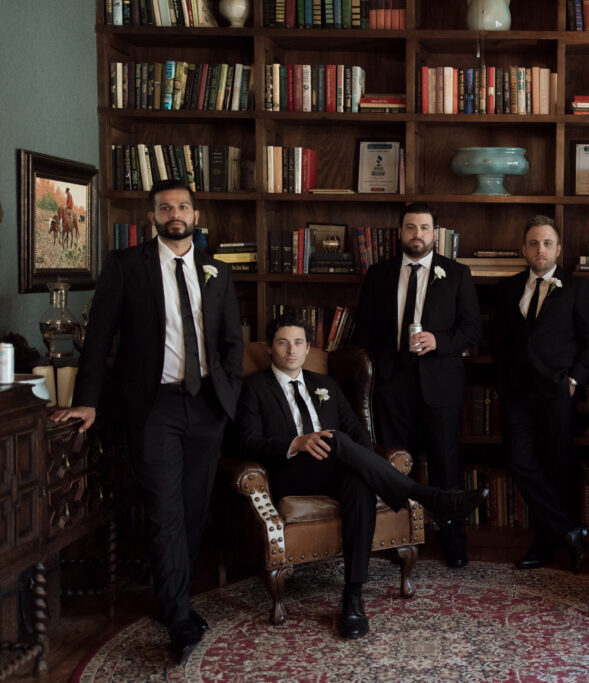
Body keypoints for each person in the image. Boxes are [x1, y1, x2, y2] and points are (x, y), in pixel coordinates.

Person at [51, 179, 244, 663]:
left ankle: (173, 600)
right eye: (165, 208)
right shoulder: (125, 267)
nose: (174, 214)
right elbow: (97, 340)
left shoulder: (216, 272)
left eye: (182, 206)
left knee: (196, 510)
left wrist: (229, 392)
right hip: (153, 407)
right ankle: (178, 618)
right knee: (164, 510)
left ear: (196, 216)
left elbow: (232, 342)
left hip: (205, 407)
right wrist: (88, 401)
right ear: (152, 216)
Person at [234, 314, 488, 639]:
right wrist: (296, 443)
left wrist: (362, 465)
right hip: (290, 474)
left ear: (308, 347)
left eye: (298, 342)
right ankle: (429, 498)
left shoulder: (325, 385)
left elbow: (360, 434)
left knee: (358, 483)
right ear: (270, 348)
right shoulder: (253, 388)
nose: (291, 350)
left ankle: (352, 598)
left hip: (336, 471)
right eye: (283, 343)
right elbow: (246, 442)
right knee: (337, 439)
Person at [352, 203, 482, 567]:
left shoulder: (456, 273)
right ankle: (398, 537)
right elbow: (363, 330)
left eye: (424, 227)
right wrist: (381, 367)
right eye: (411, 227)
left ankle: (453, 540)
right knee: (396, 465)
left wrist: (439, 341)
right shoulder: (378, 275)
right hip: (391, 386)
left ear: (434, 234)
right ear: (400, 233)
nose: (418, 234)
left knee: (445, 465)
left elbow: (473, 329)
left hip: (441, 385)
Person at [491, 216, 589, 573]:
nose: (541, 250)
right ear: (524, 249)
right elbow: (501, 343)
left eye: (547, 243)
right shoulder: (508, 289)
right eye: (534, 243)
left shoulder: (576, 288)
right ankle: (570, 530)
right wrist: (504, 385)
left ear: (558, 249)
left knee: (558, 467)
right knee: (519, 461)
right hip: (517, 394)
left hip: (557, 391)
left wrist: (573, 382)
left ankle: (545, 545)